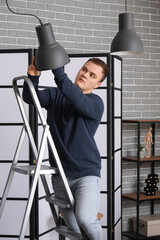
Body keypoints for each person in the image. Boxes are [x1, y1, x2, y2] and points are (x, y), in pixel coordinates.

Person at [23, 56, 108, 240]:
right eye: (84, 69)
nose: (85, 74)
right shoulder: (55, 95)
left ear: (98, 84)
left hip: (86, 173)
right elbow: (30, 97)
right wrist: (33, 77)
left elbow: (77, 101)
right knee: (75, 232)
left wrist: (58, 72)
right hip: (60, 175)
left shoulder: (95, 104)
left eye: (92, 75)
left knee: (85, 219)